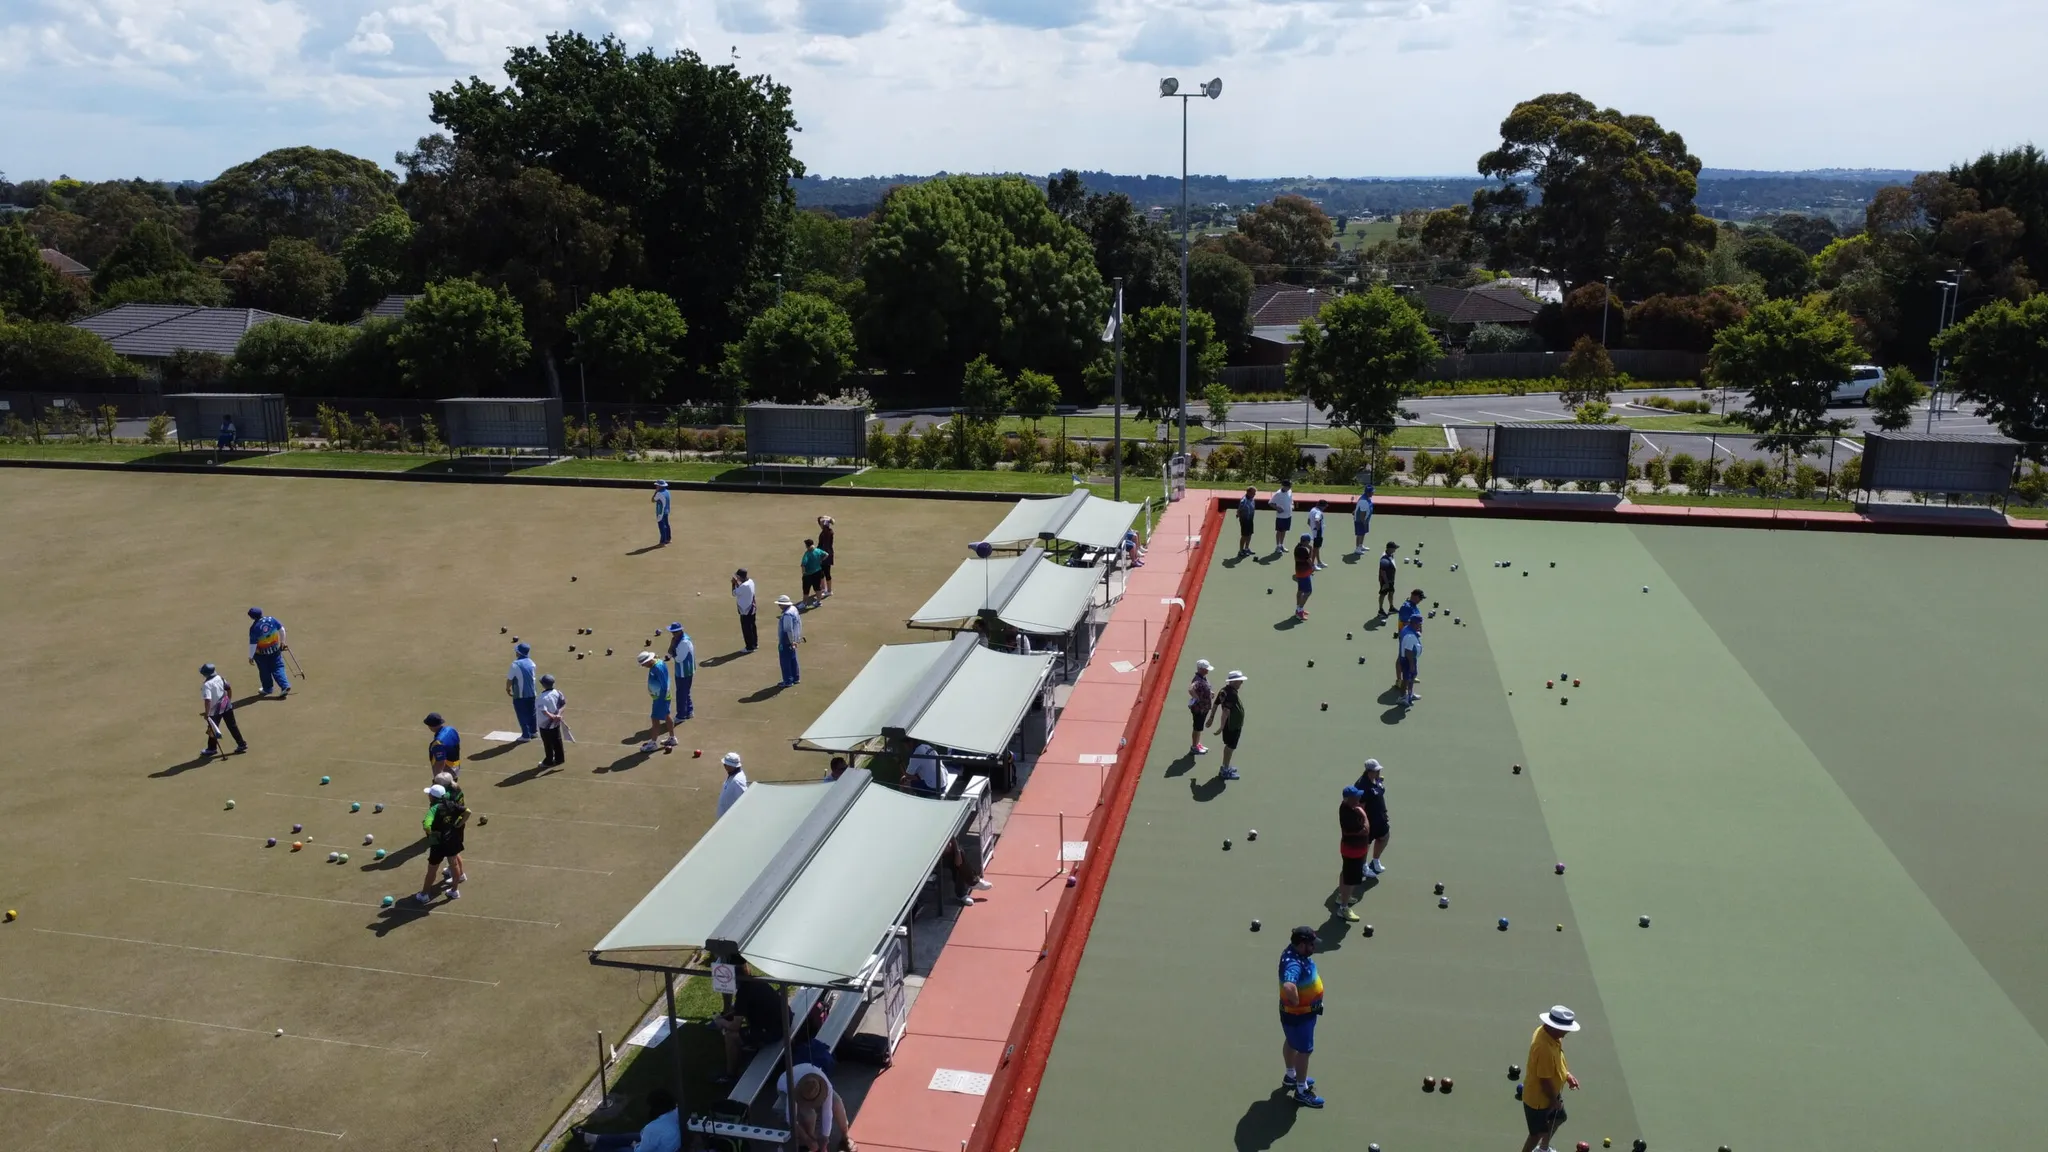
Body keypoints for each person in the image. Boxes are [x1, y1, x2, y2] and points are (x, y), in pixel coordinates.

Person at [1521, 1006, 1583, 1152]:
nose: (1567, 1031)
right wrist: (1554, 1101)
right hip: (1539, 1099)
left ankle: (1543, 1148)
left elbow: (1558, 1059)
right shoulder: (1543, 1048)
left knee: (1560, 1117)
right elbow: (1544, 1080)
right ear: (1555, 1027)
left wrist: (1567, 1075)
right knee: (1536, 1134)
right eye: (1565, 1028)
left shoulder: (1550, 1035)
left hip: (1550, 1093)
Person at [1278, 925, 1325, 1108]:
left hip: (1292, 1015)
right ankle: (1301, 1090)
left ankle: (1291, 1075)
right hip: (1300, 1016)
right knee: (1304, 1051)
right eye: (1311, 944)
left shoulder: (1292, 953)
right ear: (1301, 945)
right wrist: (1297, 1001)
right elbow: (1289, 985)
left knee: (1291, 1042)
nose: (1314, 947)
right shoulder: (1294, 963)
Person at [715, 964, 786, 1079]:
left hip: (775, 1031)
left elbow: (734, 1026)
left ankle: (729, 1075)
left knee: (730, 1036)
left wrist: (721, 1021)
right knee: (746, 1026)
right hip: (784, 1019)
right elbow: (746, 1008)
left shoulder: (743, 993)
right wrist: (733, 1013)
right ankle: (751, 1044)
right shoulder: (757, 981)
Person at [577, 1088, 680, 1152]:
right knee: (626, 1137)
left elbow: (642, 1151)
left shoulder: (654, 1128)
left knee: (621, 1150)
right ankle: (593, 1139)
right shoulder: (677, 1111)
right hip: (667, 1145)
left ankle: (595, 1147)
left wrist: (635, 1146)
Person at [416, 781, 468, 903]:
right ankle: (454, 891)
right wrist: (459, 824)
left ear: (433, 797)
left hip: (438, 844)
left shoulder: (433, 809)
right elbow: (467, 811)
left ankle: (424, 894)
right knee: (453, 864)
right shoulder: (451, 804)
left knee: (432, 869)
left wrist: (430, 833)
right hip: (452, 838)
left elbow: (427, 825)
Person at [789, 1065, 855, 1151]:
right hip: (788, 1089)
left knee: (837, 1103)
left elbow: (827, 1113)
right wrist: (807, 1139)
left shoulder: (825, 1086)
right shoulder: (792, 1089)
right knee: (809, 1115)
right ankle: (808, 1142)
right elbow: (790, 1118)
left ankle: (845, 1136)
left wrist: (825, 1139)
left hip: (808, 1086)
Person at [1335, 785, 1372, 922]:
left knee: (1346, 873)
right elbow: (1366, 829)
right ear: (1348, 799)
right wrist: (1364, 814)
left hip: (1350, 849)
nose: (1359, 798)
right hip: (1353, 851)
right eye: (1356, 797)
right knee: (1350, 881)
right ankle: (1343, 908)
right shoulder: (1349, 814)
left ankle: (1342, 896)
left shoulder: (1347, 807)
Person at [199, 662, 246, 757]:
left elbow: (208, 700)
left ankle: (212, 749)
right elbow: (228, 688)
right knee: (232, 726)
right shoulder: (220, 678)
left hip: (214, 710)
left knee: (212, 729)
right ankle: (241, 744)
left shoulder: (206, 685)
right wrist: (228, 700)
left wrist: (207, 714)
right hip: (226, 705)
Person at [1210, 670, 1248, 780]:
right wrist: (1221, 727)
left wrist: (1211, 718)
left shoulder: (1224, 690)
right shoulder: (1231, 694)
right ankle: (1225, 769)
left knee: (1229, 746)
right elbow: (1226, 711)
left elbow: (1216, 704)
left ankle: (1225, 766)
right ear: (1234, 681)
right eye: (1240, 681)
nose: (1241, 683)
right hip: (1232, 726)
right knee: (1230, 747)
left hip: (1230, 725)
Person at [245, 607, 291, 697]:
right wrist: (282, 642)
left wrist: (251, 656)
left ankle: (267, 689)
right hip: (275, 650)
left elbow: (253, 644)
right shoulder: (271, 619)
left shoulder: (254, 628)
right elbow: (282, 630)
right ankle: (285, 685)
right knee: (278, 667)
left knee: (264, 671)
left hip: (261, 654)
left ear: (252, 617)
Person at [1355, 759, 1391, 874]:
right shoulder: (1363, 785)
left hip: (1380, 816)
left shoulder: (1376, 780)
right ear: (1368, 771)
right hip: (1370, 820)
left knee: (1384, 837)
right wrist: (1363, 823)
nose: (1378, 772)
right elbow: (1360, 806)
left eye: (1379, 770)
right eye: (1376, 771)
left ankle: (1375, 860)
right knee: (1366, 843)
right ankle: (1363, 866)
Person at [637, 652, 677, 753]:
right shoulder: (658, 663)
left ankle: (653, 743)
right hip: (661, 696)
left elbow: (663, 685)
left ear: (648, 660)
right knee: (667, 716)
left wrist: (661, 699)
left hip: (661, 697)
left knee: (655, 719)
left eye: (643, 663)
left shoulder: (657, 668)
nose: (642, 665)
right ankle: (672, 738)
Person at [506, 642, 539, 741]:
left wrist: (508, 688)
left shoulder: (515, 664)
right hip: (532, 693)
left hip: (520, 695)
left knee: (522, 714)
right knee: (532, 713)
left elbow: (510, 679)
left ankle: (526, 735)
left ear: (518, 652)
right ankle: (534, 732)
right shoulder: (532, 663)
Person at [664, 622, 695, 721]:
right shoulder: (678, 639)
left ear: (680, 631)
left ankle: (681, 715)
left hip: (684, 671)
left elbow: (679, 659)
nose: (673, 634)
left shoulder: (683, 642)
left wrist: (672, 651)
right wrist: (672, 648)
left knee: (681, 693)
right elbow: (671, 652)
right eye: (672, 632)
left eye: (674, 632)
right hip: (685, 670)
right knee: (685, 691)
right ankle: (689, 711)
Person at [535, 674, 567, 769]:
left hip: (545, 724)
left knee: (548, 743)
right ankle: (560, 758)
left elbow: (544, 711)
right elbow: (563, 704)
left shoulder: (541, 697)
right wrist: (558, 715)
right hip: (556, 722)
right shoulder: (558, 693)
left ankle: (548, 761)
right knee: (557, 740)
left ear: (544, 685)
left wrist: (553, 716)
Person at [1187, 659, 1215, 755]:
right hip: (1199, 709)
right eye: (1206, 669)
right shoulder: (1197, 680)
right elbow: (1191, 689)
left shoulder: (1203, 678)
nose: (1208, 671)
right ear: (1200, 669)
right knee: (1197, 727)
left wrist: (1209, 693)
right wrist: (1197, 698)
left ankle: (1197, 743)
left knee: (1199, 727)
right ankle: (1194, 747)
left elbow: (1205, 688)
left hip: (1204, 708)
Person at [775, 594, 803, 687]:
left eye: (780, 604)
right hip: (794, 638)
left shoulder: (787, 614)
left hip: (787, 641)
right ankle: (796, 677)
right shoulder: (794, 609)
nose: (779, 606)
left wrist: (791, 642)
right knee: (793, 658)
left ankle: (788, 681)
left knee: (785, 661)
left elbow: (788, 629)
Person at [423, 712, 460, 780]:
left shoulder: (438, 743)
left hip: (446, 773)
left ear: (431, 726)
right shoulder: (451, 730)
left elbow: (440, 762)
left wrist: (438, 779)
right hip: (456, 766)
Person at [1396, 619, 1422, 707]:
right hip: (1408, 660)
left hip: (1410, 659)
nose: (1420, 626)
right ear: (1414, 623)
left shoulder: (1407, 629)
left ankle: (1410, 694)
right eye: (1419, 624)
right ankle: (1402, 697)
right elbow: (1408, 651)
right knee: (1406, 679)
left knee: (1412, 677)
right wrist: (1411, 665)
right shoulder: (1410, 635)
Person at [732, 568, 759, 652]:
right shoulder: (750, 581)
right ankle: (754, 644)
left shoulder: (744, 586)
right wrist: (737, 582)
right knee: (752, 626)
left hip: (745, 610)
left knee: (746, 628)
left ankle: (749, 647)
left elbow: (734, 593)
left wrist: (734, 584)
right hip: (752, 607)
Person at [717, 751, 750, 817]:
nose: (724, 766)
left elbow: (743, 801)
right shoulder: (733, 775)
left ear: (732, 766)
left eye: (726, 764)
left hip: (728, 819)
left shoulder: (737, 781)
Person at [800, 538, 830, 607]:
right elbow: (826, 554)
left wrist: (804, 573)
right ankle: (818, 602)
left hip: (808, 574)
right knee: (817, 588)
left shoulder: (807, 553)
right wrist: (821, 560)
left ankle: (804, 603)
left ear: (807, 546)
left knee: (806, 589)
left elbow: (803, 564)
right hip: (818, 572)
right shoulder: (818, 551)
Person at [1292, 533, 1315, 621]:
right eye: (1308, 542)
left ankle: (1298, 609)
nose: (1309, 543)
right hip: (1304, 574)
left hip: (1299, 573)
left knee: (1301, 591)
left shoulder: (1298, 547)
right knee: (1308, 592)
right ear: (1305, 541)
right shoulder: (1302, 550)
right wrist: (1312, 567)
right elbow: (1309, 559)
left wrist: (1310, 549)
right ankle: (1299, 611)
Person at [1271, 479, 1295, 554]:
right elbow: (1271, 503)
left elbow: (1291, 500)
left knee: (1284, 530)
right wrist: (1277, 508)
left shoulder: (1290, 491)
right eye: (1288, 486)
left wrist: (1292, 505)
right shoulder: (1278, 494)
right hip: (1280, 517)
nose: (1290, 487)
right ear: (1284, 486)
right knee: (1279, 531)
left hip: (1288, 515)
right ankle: (1277, 546)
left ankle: (1281, 545)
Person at [815, 515, 836, 598]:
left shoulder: (826, 533)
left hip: (826, 555)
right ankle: (824, 589)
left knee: (826, 572)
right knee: (821, 572)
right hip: (824, 554)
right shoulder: (826, 532)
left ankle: (829, 590)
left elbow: (823, 545)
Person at [1377, 541, 1399, 616]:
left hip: (1390, 579)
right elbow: (1383, 572)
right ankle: (1380, 610)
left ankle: (1391, 607)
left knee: (1391, 592)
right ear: (1390, 549)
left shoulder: (1390, 555)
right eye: (1394, 548)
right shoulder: (1384, 560)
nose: (1395, 550)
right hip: (1385, 580)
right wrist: (1386, 583)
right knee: (1383, 594)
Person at [1352, 484, 1374, 556]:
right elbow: (1362, 514)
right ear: (1368, 492)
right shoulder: (1364, 501)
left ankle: (1361, 546)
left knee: (1363, 533)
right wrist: (1364, 522)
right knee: (1360, 534)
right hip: (1360, 520)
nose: (1373, 493)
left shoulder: (1367, 497)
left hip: (1365, 519)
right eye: (1372, 492)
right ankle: (1357, 548)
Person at [1236, 486, 1258, 557]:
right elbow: (1239, 509)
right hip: (1244, 520)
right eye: (1253, 493)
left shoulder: (1252, 499)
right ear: (1248, 492)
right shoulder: (1244, 500)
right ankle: (1241, 550)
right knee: (1244, 535)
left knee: (1250, 534)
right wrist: (1239, 515)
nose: (1254, 494)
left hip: (1250, 519)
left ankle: (1246, 548)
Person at [651, 479, 671, 547]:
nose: (656, 486)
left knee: (662, 526)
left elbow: (653, 500)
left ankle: (662, 542)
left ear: (660, 486)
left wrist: (655, 492)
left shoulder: (659, 493)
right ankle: (668, 539)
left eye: (657, 485)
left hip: (661, 512)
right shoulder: (667, 492)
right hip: (666, 510)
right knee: (666, 525)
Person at [1307, 500, 1327, 569]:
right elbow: (1317, 520)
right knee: (1315, 549)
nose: (1325, 508)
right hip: (1318, 534)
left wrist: (1313, 528)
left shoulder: (1312, 510)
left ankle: (1319, 562)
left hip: (1315, 533)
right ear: (1322, 506)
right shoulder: (1318, 512)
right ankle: (1312, 565)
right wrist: (1317, 529)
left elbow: (1308, 522)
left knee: (1317, 548)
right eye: (1325, 506)